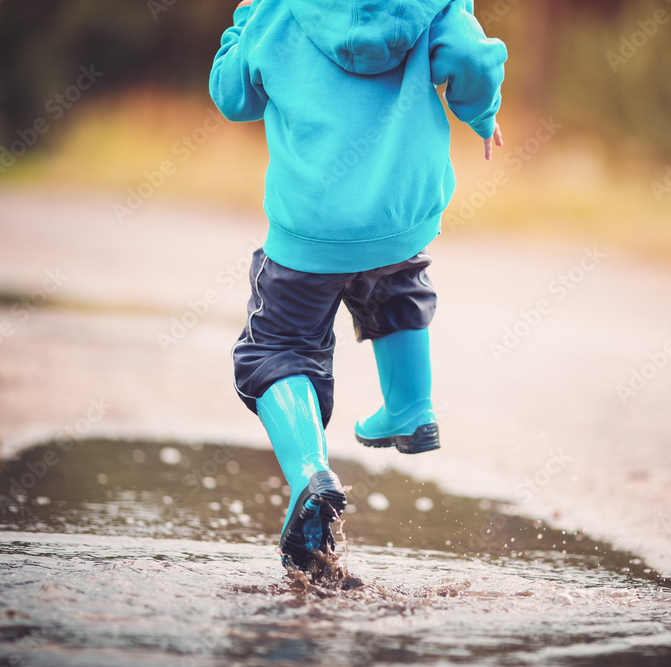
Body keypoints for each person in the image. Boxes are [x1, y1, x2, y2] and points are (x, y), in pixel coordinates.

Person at [209, 0, 506, 571]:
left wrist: (243, 18)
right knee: (396, 283)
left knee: (275, 349)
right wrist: (482, 112)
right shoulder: (432, 5)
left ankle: (309, 475)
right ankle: (410, 405)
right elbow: (471, 56)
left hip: (311, 226)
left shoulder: (280, 10)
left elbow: (233, 97)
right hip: (399, 213)